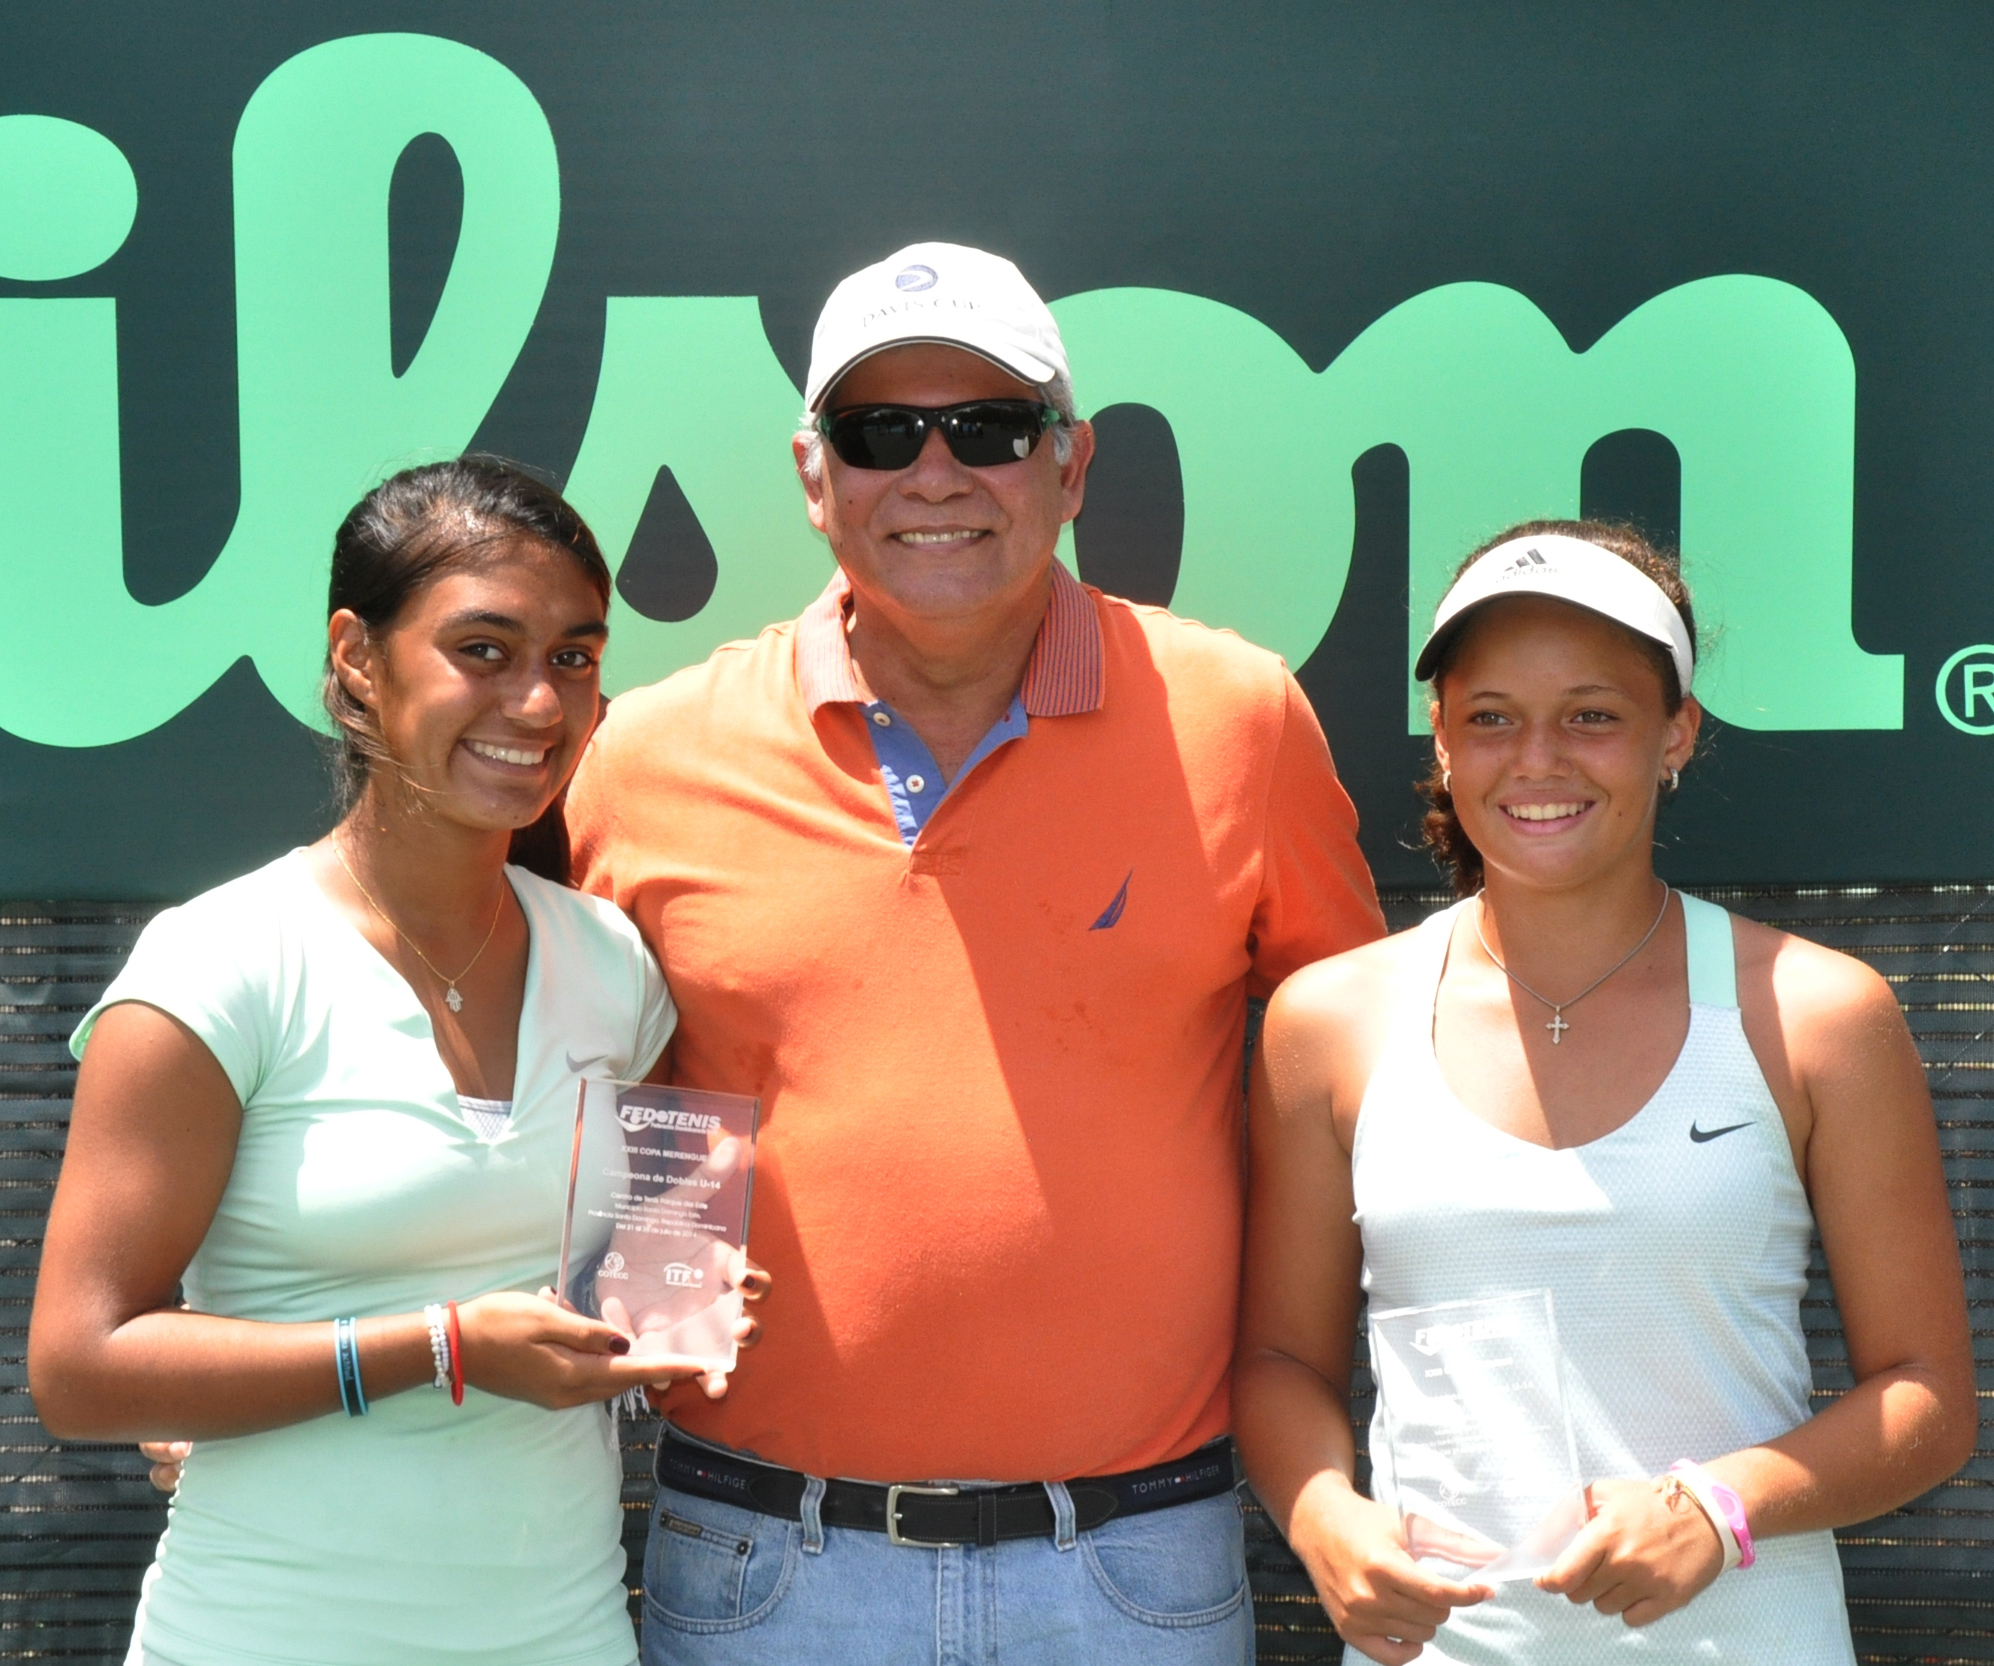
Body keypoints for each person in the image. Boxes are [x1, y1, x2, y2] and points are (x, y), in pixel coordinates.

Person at [561, 241, 1385, 1665]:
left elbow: (1368, 1093)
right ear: (815, 476)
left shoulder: (1238, 718)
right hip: (762, 1554)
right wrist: (628, 1280)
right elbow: (556, 1082)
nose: (935, 474)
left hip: (1135, 1559)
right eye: (883, 433)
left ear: (1070, 466)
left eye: (988, 429)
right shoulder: (644, 755)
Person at [28, 458, 757, 1666]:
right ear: (357, 658)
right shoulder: (223, 961)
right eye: (484, 649)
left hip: (559, 1639)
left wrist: (667, 1320)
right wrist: (445, 1346)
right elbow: (83, 1367)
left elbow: (623, 1281)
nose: (537, 703)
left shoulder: (612, 962)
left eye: (573, 656)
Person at [1233, 520, 1978, 1663]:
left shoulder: (1819, 1014)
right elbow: (1281, 1359)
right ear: (1439, 739)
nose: (1537, 759)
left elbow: (1924, 1400)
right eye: (1490, 717)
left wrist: (1718, 1509)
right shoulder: (1330, 1022)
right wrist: (1323, 1514)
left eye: (1591, 713)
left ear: (1673, 733)